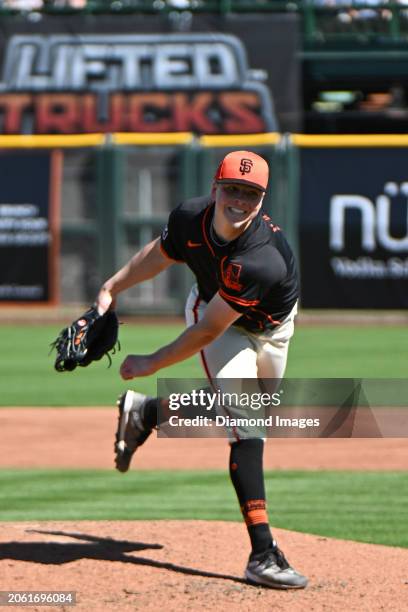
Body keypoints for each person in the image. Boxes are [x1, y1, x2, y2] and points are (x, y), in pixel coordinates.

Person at [95, 150, 308, 590]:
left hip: (270, 329)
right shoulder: (190, 216)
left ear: (262, 200)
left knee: (253, 410)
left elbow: (206, 334)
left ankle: (148, 413)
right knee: (248, 427)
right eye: (232, 188)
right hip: (218, 318)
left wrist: (149, 362)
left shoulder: (259, 258)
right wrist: (112, 286)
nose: (239, 200)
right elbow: (162, 254)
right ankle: (263, 554)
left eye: (250, 193)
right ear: (215, 187)